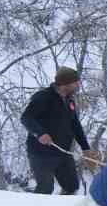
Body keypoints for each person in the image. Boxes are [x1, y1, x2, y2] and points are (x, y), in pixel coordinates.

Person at [20, 67, 92, 195]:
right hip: (41, 153)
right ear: (65, 83)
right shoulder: (43, 97)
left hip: (62, 152)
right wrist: (40, 133)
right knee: (45, 189)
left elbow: (75, 125)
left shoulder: (69, 100)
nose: (78, 85)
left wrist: (86, 148)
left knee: (72, 186)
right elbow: (26, 117)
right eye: (75, 82)